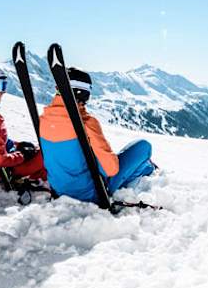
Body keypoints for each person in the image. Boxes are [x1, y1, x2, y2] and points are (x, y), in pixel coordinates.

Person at [39, 67, 155, 202]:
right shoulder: (86, 123)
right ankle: (146, 169)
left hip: (59, 190)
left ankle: (144, 167)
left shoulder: (43, 120)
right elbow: (110, 170)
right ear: (84, 94)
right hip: (91, 193)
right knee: (143, 147)